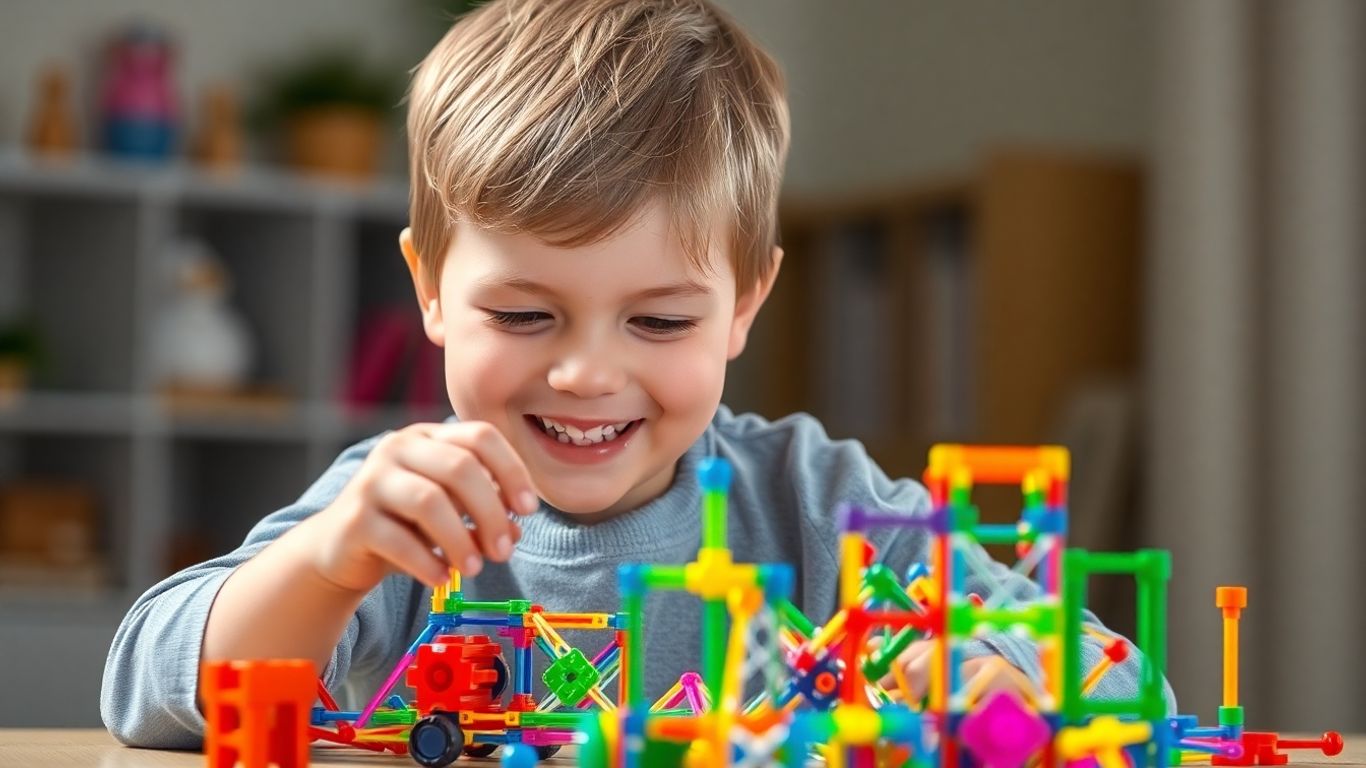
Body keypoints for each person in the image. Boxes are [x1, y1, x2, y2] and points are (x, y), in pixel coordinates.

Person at [101, 0, 1172, 747]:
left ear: (743, 304)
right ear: (428, 289)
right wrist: (327, 565)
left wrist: (998, 684)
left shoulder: (816, 502)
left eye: (659, 321)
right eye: (523, 314)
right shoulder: (408, 504)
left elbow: (1125, 677)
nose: (584, 372)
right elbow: (145, 684)